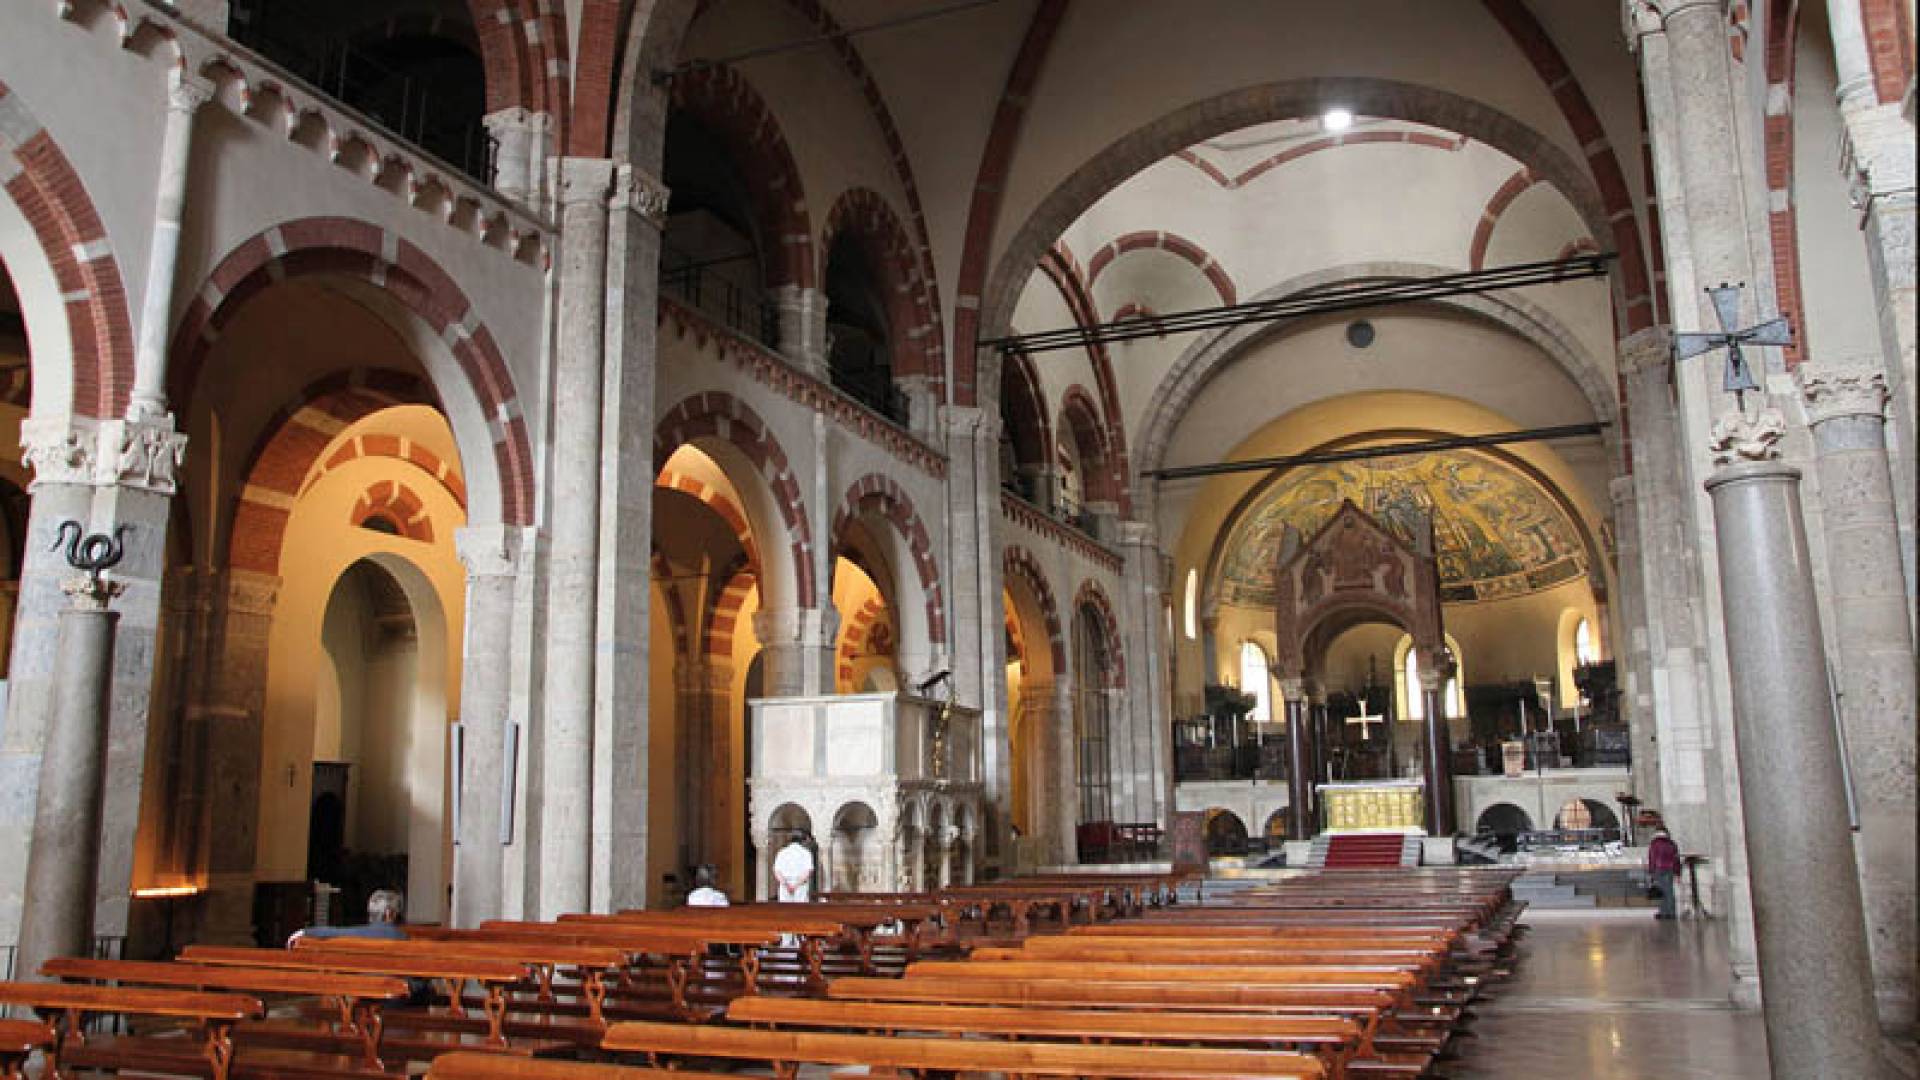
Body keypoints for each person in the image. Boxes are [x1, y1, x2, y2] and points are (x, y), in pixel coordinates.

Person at [288, 888, 406, 945]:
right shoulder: (400, 937)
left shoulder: (357, 933)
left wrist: (304, 932)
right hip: (392, 987)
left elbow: (333, 932)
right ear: (389, 913)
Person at [1647, 828, 1682, 920]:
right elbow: (1676, 859)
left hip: (1659, 869)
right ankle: (1671, 912)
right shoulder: (1672, 844)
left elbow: (1652, 858)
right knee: (1669, 891)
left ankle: (1663, 912)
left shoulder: (1654, 844)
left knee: (1661, 892)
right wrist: (1678, 872)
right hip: (1670, 869)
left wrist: (1651, 871)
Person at [773, 832, 815, 902]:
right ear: (802, 841)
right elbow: (808, 871)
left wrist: (787, 885)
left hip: (785, 886)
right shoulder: (806, 853)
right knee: (800, 910)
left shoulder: (782, 852)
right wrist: (795, 885)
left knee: (785, 910)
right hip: (800, 886)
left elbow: (777, 871)